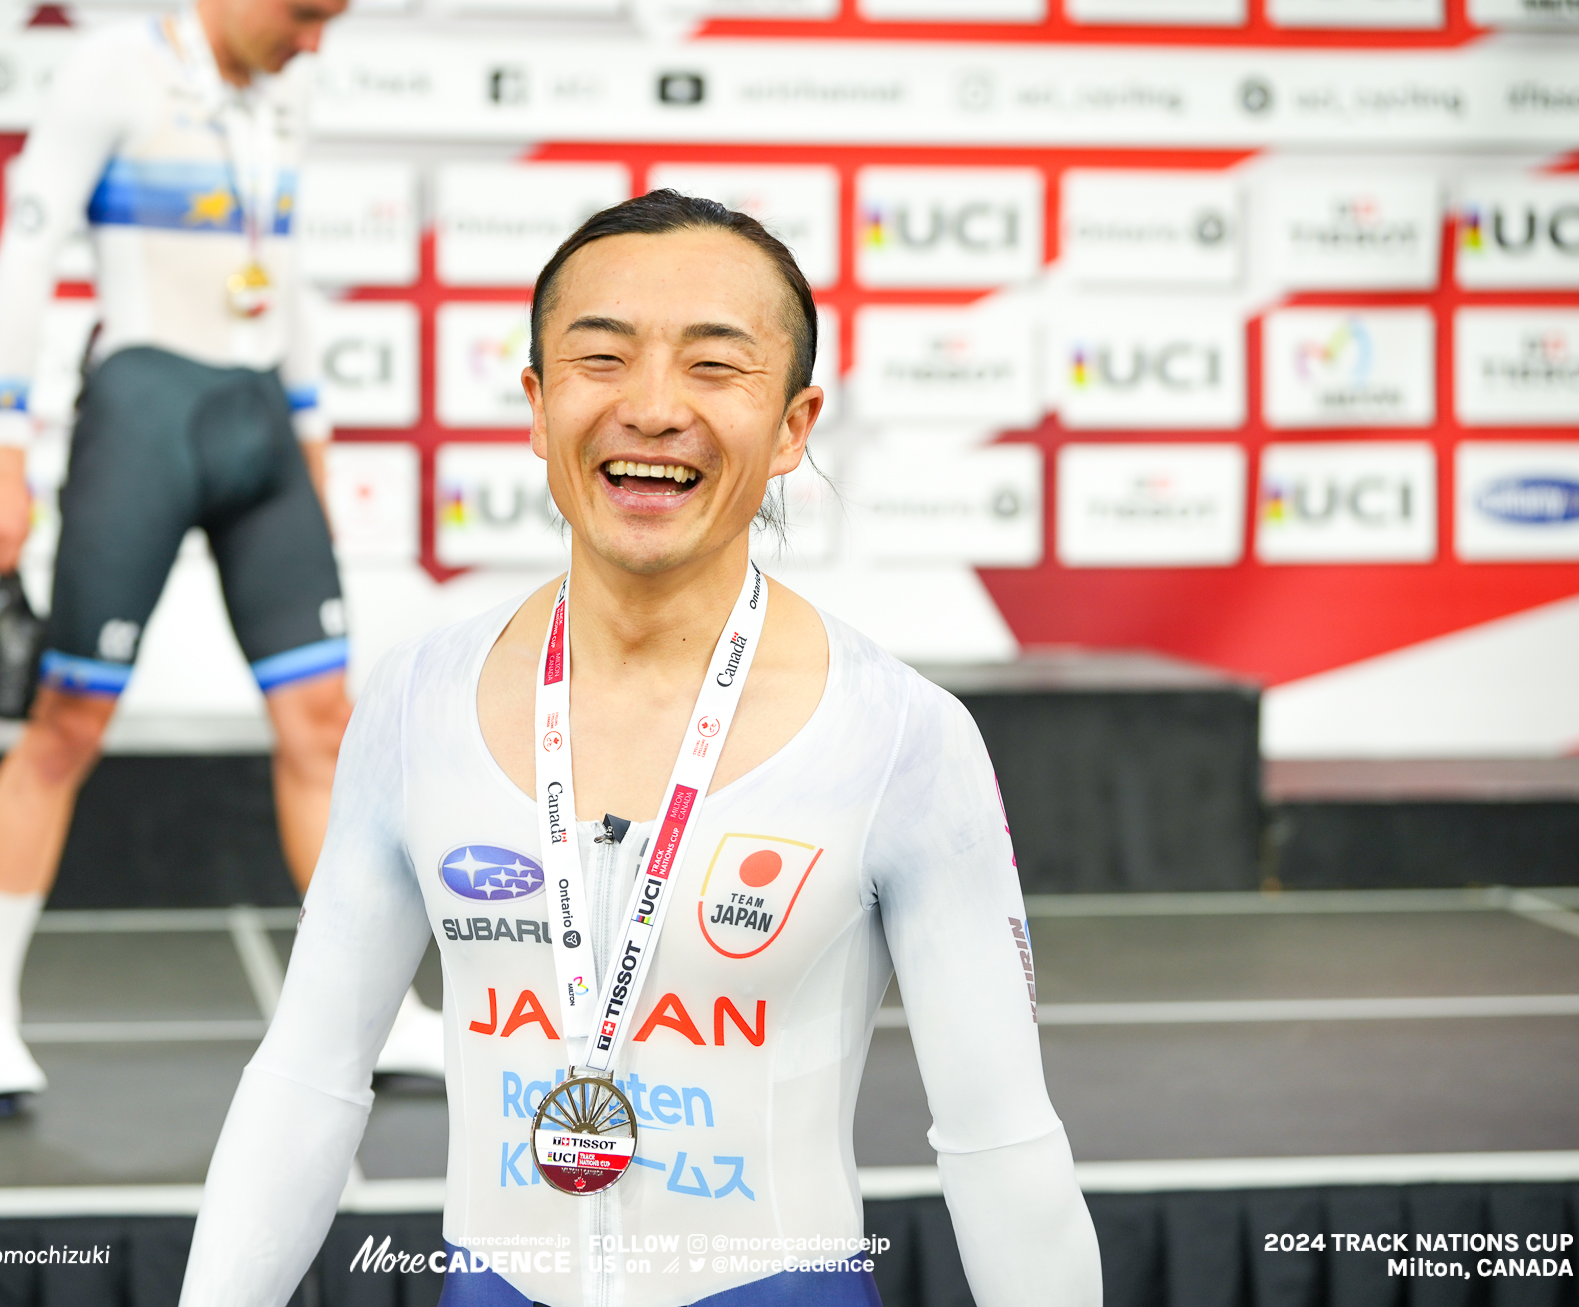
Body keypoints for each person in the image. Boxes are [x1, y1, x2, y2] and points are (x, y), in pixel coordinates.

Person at [175, 191, 1102, 1306]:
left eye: (716, 365)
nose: (653, 408)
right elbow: (307, 1081)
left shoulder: (904, 735)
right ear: (535, 403)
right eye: (601, 356)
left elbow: (1001, 1143)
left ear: (796, 426)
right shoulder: (417, 703)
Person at [0, 0, 444, 1112]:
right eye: (308, 17)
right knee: (67, 724)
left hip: (257, 419)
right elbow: (22, 258)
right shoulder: (113, 70)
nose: (318, 43)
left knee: (322, 724)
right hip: (142, 415)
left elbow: (286, 264)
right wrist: (0, 455)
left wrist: (310, 436)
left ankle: (375, 1010)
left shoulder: (287, 84)